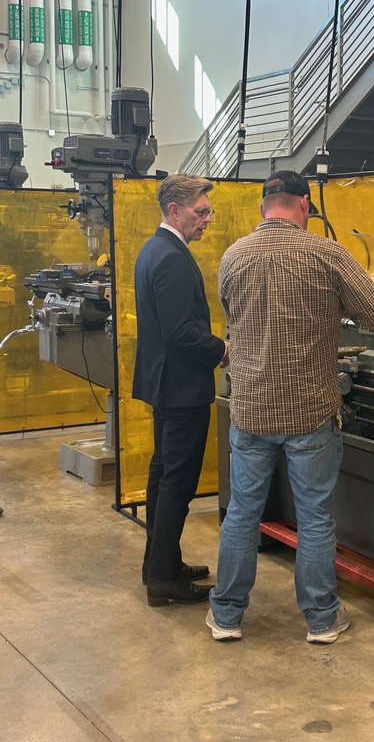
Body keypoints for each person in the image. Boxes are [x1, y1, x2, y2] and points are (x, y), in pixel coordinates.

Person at [207, 170, 374, 643]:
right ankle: (321, 619)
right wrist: (335, 308)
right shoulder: (325, 252)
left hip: (249, 408)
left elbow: (235, 317)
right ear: (305, 206)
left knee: (243, 513)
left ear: (263, 207)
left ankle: (226, 615)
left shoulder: (233, 255)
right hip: (309, 410)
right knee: (314, 517)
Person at [132, 173, 229, 607]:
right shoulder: (170, 256)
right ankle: (164, 579)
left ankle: (159, 562)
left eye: (207, 211)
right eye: (201, 211)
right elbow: (179, 332)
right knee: (178, 483)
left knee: (162, 475)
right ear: (175, 210)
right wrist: (221, 349)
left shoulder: (154, 249)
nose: (206, 219)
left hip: (164, 383)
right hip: (181, 386)